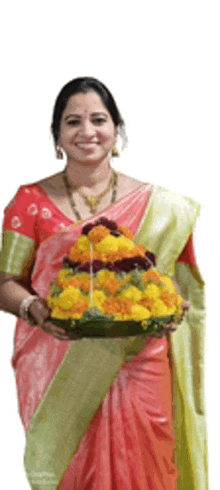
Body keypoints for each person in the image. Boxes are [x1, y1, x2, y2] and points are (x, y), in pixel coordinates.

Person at [0, 77, 208, 489]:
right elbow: (6, 281)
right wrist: (33, 310)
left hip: (140, 358)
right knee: (73, 467)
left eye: (99, 119)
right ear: (57, 136)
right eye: (72, 122)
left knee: (150, 460)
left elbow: (173, 285)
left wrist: (173, 308)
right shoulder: (30, 201)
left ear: (117, 131)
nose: (87, 131)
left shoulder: (161, 207)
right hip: (59, 362)